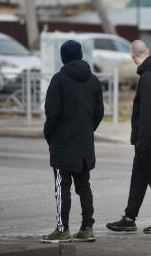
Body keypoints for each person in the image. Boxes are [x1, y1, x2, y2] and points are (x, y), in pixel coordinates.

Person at [106, 40, 151, 234]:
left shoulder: (148, 77)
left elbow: (148, 115)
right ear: (147, 52)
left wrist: (141, 142)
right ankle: (129, 218)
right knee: (139, 178)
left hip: (150, 141)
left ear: (132, 56)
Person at [41, 40, 104, 243]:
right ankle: (87, 228)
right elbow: (99, 113)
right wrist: (87, 130)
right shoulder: (93, 80)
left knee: (62, 187)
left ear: (63, 57)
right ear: (80, 55)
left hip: (63, 144)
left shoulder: (59, 80)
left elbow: (52, 114)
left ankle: (62, 229)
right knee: (84, 187)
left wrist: (49, 135)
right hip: (84, 144)